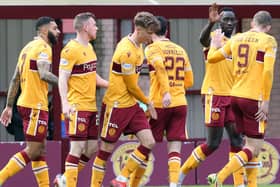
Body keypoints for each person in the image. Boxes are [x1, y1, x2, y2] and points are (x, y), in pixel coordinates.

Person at [206, 10, 277, 187]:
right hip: (253, 99)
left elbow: (212, 58)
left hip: (235, 97)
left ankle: (249, 184)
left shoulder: (237, 38)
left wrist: (214, 45)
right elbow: (267, 72)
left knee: (249, 145)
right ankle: (219, 178)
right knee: (255, 147)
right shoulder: (268, 41)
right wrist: (266, 101)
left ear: (252, 23)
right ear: (268, 27)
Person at [178, 4, 246, 187]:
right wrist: (210, 24)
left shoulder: (238, 41)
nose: (229, 23)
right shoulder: (215, 37)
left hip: (232, 97)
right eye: (226, 19)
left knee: (237, 140)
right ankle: (181, 175)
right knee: (213, 143)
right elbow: (202, 40)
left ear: (236, 22)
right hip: (214, 94)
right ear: (220, 21)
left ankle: (239, 184)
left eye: (232, 20)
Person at [90, 11, 159, 187]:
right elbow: (131, 86)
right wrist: (148, 103)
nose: (151, 36)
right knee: (105, 150)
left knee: (149, 141)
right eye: (149, 32)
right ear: (138, 29)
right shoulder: (126, 50)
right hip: (116, 105)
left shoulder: (139, 47)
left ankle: (121, 179)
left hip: (131, 105)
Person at [0, 16, 60, 187]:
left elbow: (14, 79)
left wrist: (9, 106)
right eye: (55, 28)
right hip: (35, 106)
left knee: (40, 149)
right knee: (33, 150)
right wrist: (65, 82)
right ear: (43, 30)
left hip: (27, 104)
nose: (58, 32)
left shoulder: (27, 48)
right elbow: (43, 73)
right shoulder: (43, 47)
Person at [55, 12, 108, 187]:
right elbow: (62, 77)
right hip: (77, 107)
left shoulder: (90, 48)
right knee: (76, 149)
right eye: (94, 25)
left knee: (92, 147)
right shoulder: (70, 49)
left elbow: (92, 76)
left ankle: (63, 180)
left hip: (91, 107)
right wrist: (66, 103)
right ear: (86, 27)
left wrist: (111, 85)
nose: (97, 28)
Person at [141, 16, 193, 187]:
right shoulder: (181, 50)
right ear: (166, 31)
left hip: (159, 103)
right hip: (180, 102)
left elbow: (160, 68)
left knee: (146, 144)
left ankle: (127, 180)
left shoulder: (151, 48)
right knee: (175, 148)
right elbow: (190, 82)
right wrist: (176, 88)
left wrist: (165, 92)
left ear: (152, 30)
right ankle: (173, 184)